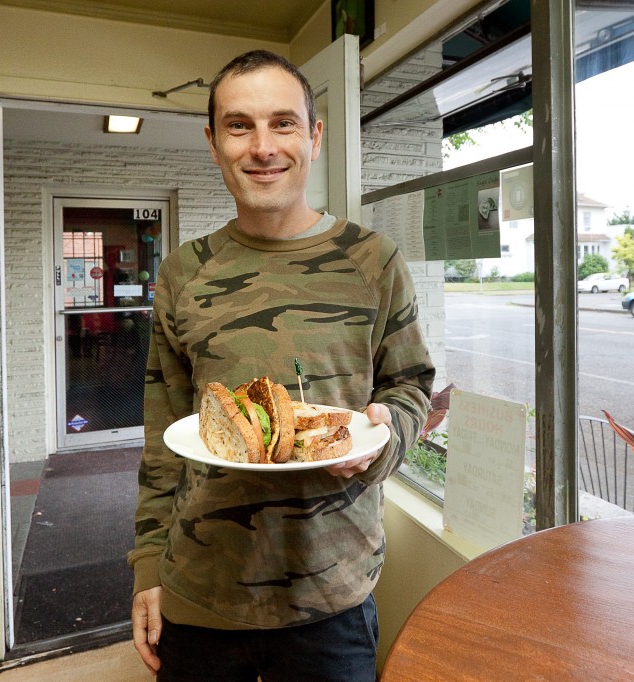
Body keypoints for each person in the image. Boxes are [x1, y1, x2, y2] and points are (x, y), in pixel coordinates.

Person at [127, 49, 434, 682]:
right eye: (239, 126)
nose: (262, 146)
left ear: (314, 137)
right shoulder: (184, 272)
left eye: (283, 123)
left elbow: (409, 387)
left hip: (333, 595)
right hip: (203, 589)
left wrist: (385, 435)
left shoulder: (374, 261)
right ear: (213, 144)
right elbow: (164, 438)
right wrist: (148, 569)